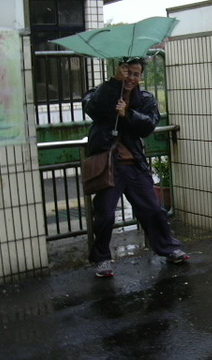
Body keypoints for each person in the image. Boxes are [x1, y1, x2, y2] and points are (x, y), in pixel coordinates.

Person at [82, 57, 189, 278]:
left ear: (141, 77)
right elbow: (92, 109)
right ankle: (102, 259)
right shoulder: (101, 92)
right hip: (108, 165)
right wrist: (113, 85)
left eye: (135, 74)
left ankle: (168, 248)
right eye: (127, 72)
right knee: (105, 215)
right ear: (118, 71)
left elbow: (149, 125)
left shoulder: (146, 98)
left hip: (134, 165)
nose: (131, 78)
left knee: (152, 209)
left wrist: (127, 114)